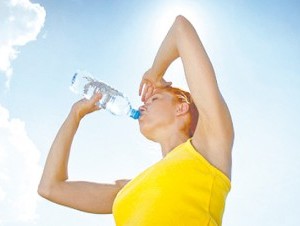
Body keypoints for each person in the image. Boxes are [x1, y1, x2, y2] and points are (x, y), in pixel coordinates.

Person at [38, 15, 234, 226]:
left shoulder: (210, 147)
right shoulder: (129, 188)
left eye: (155, 98)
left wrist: (156, 73)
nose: (142, 104)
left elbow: (181, 29)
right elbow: (50, 187)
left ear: (182, 108)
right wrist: (74, 116)